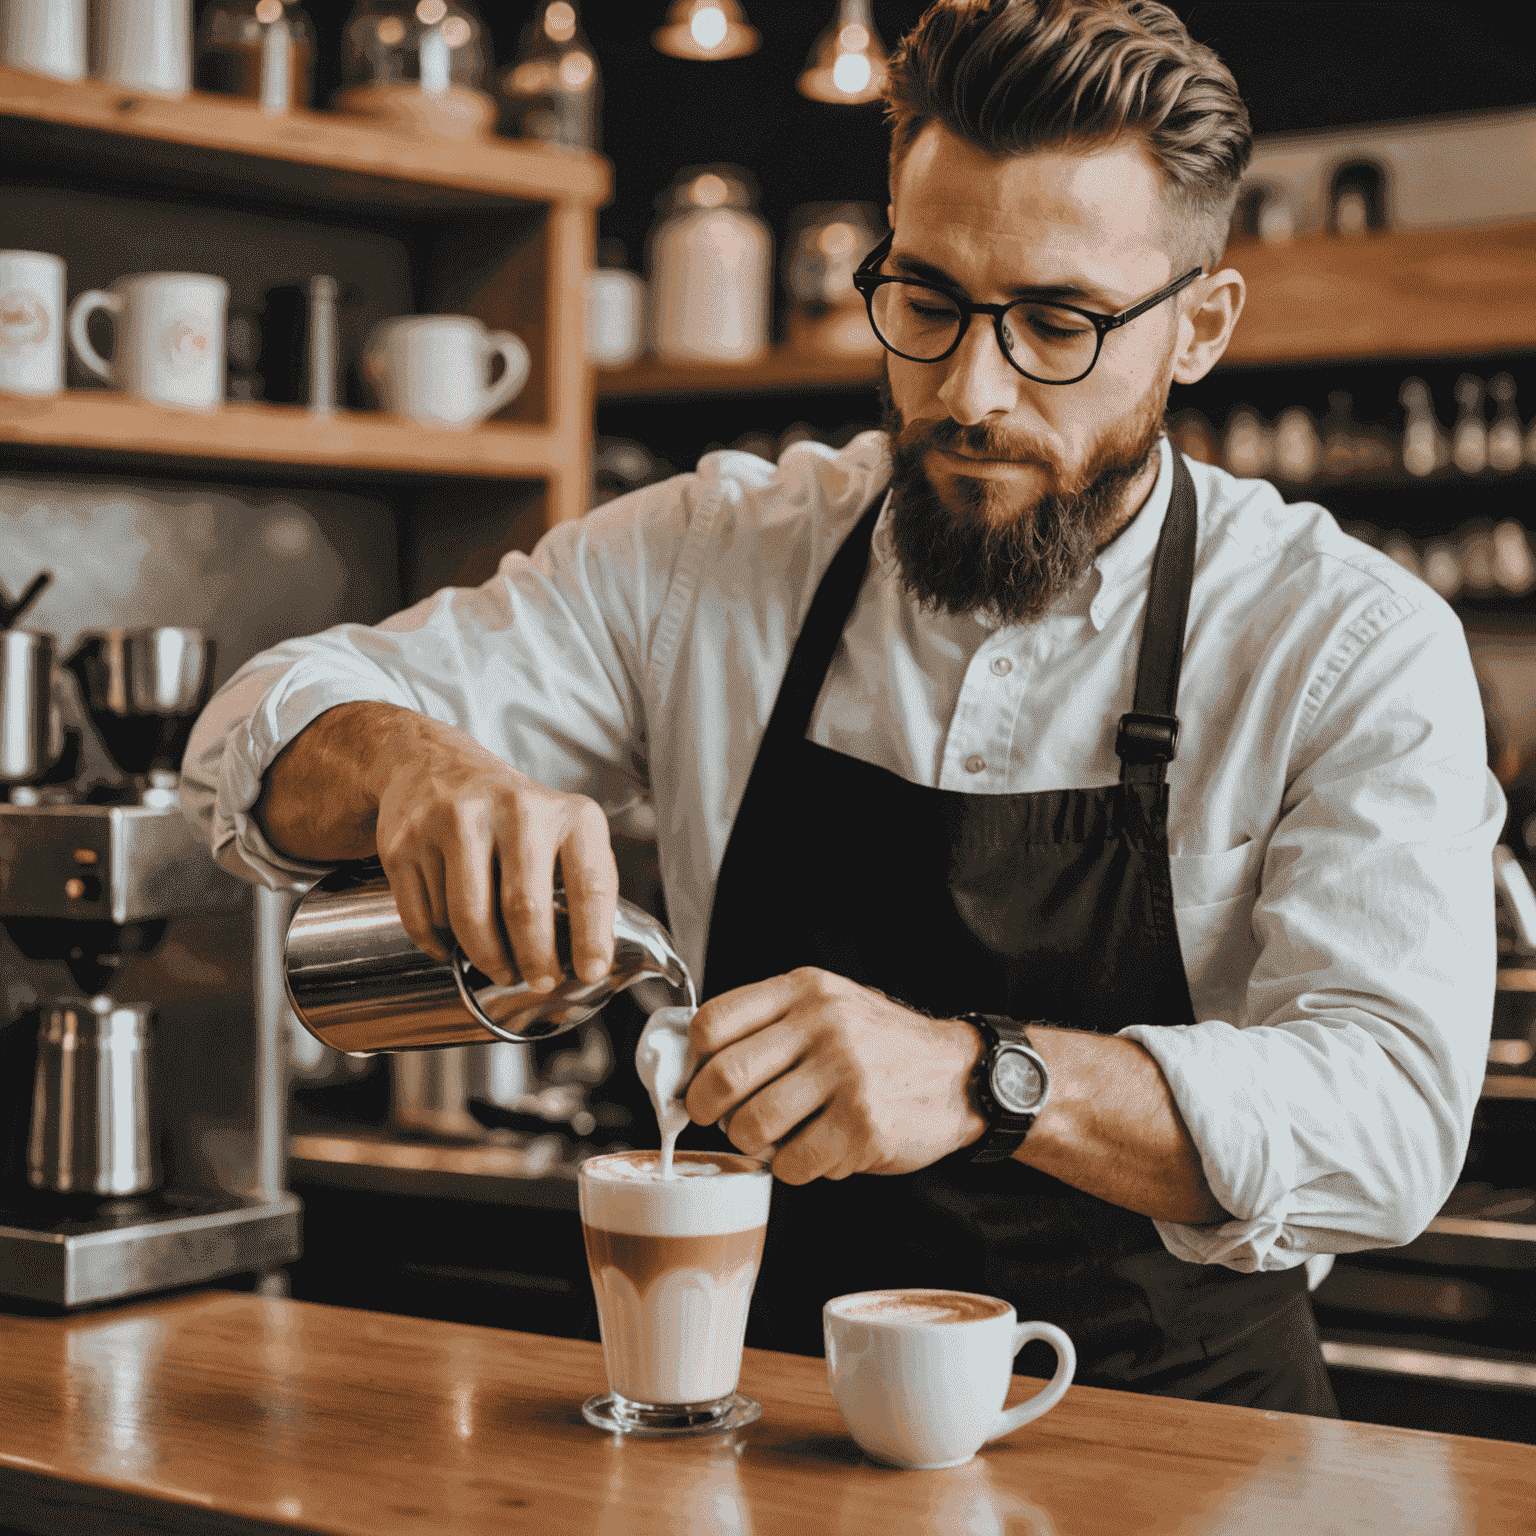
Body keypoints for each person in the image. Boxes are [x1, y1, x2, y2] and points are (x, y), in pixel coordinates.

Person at [184, 0, 1500, 1416]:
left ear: (1200, 327)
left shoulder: (1345, 642)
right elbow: (252, 730)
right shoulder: (713, 559)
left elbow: (1389, 1119)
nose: (970, 390)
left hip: (1175, 1439)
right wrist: (411, 768)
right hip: (754, 1417)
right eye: (926, 301)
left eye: (1055, 322)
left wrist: (986, 1080)